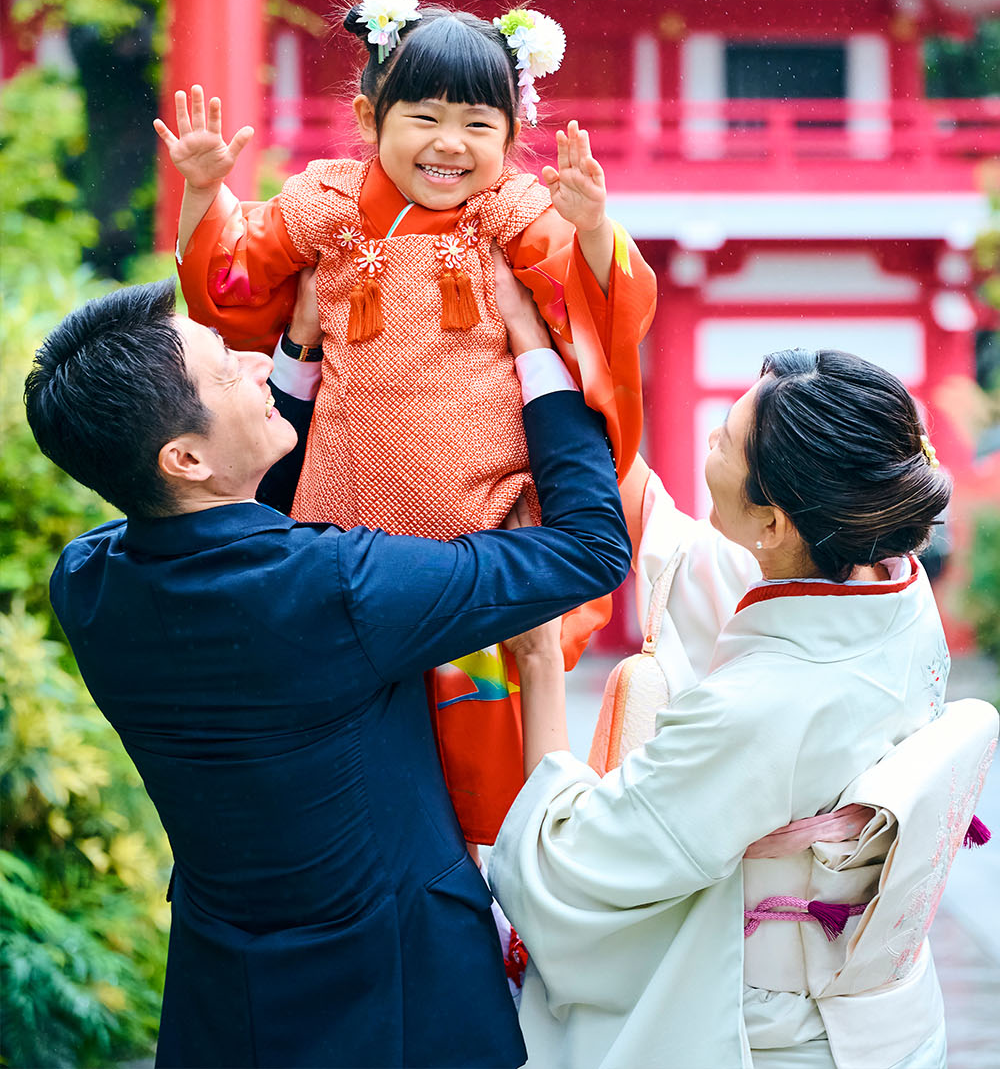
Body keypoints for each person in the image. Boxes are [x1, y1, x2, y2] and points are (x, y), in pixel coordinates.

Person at [22, 261, 632, 1069]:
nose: (250, 364)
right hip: (400, 989)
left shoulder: (91, 583)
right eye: (225, 366)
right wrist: (538, 354)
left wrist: (299, 350)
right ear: (183, 458)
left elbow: (240, 533)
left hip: (228, 991)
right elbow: (590, 549)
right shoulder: (339, 589)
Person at [158, 0, 656, 844]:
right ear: (368, 114)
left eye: (478, 125)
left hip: (482, 517)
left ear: (512, 135)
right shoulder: (329, 203)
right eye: (424, 116)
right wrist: (207, 193)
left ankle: (507, 885)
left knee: (482, 743)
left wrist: (596, 227)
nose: (450, 145)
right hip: (347, 514)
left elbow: (602, 304)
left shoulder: (514, 214)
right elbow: (232, 287)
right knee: (353, 740)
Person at [489, 348, 967, 1069]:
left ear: (772, 525)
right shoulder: (890, 580)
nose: (711, 434)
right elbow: (680, 547)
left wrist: (537, 662)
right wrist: (545, 364)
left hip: (773, 1038)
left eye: (727, 439)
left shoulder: (764, 708)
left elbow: (565, 871)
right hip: (889, 1015)